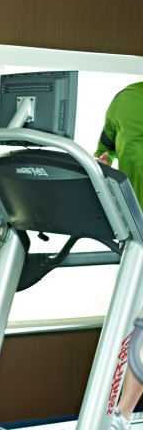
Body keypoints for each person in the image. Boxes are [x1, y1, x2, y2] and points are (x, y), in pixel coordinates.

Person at [95, 81, 143, 430]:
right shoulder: (127, 98)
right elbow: (104, 152)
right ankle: (119, 414)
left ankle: (122, 414)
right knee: (132, 324)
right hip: (137, 230)